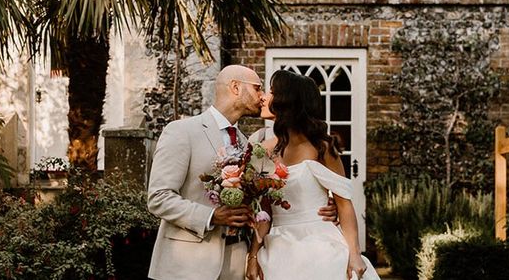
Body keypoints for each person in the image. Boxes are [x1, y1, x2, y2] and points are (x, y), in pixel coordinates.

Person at [147, 65, 337, 280]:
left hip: (236, 264)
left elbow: (267, 201)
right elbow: (158, 197)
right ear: (236, 87)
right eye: (257, 88)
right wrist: (211, 216)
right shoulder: (182, 131)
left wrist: (322, 209)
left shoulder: (251, 145)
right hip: (187, 266)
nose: (263, 96)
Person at [245, 69, 381, 280]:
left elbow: (344, 204)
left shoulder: (322, 147)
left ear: (287, 100)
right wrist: (253, 256)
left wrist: (355, 254)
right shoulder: (263, 150)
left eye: (271, 92)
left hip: (320, 247)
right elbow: (264, 212)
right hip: (278, 247)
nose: (263, 96)